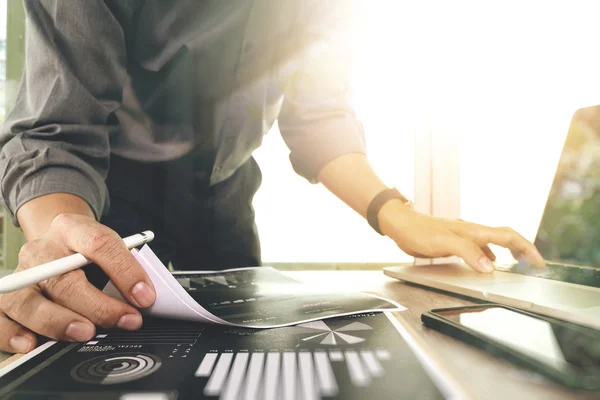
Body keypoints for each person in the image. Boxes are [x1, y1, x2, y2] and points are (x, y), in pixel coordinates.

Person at [0, 0, 544, 354]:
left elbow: (317, 115)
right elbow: (56, 130)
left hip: (226, 195)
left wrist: (394, 212)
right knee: (91, 353)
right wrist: (61, 227)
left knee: (244, 356)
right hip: (104, 204)